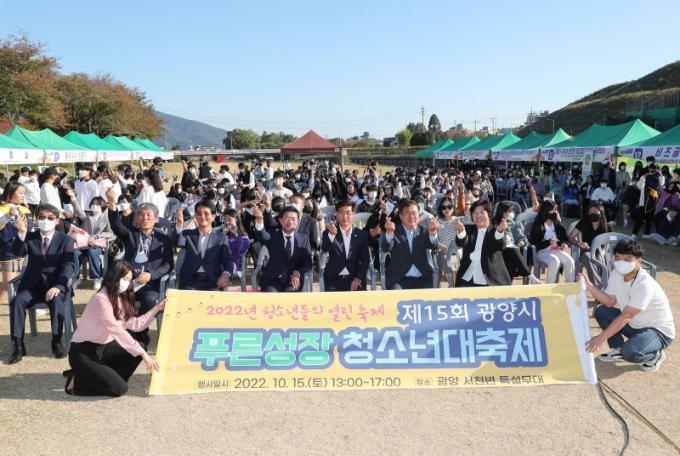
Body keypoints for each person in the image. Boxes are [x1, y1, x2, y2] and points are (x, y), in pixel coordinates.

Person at [64, 261, 165, 396]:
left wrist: (157, 309)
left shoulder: (119, 298)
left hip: (103, 348)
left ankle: (101, 376)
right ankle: (76, 381)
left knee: (138, 349)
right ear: (114, 277)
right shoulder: (100, 299)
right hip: (83, 352)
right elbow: (117, 330)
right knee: (119, 389)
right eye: (124, 279)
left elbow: (136, 325)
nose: (127, 283)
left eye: (129, 280)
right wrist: (143, 354)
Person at [581, 240, 674, 372]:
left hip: (658, 331)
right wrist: (589, 285)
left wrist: (600, 338)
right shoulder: (616, 274)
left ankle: (655, 355)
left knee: (630, 352)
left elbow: (626, 316)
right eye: (617, 258)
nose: (621, 262)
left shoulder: (644, 284)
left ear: (638, 261)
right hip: (636, 325)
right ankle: (618, 349)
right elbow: (609, 301)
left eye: (627, 259)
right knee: (602, 311)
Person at [7, 203, 77, 364]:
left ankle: (56, 341)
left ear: (57, 220)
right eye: (42, 217)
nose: (46, 220)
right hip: (32, 287)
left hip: (55, 286)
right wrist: (21, 233)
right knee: (17, 301)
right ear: (36, 219)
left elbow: (69, 266)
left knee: (57, 300)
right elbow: (17, 252)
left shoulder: (65, 240)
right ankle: (17, 345)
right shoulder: (30, 237)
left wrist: (59, 286)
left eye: (50, 218)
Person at [107, 192, 173, 347]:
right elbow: (116, 224)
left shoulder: (164, 239)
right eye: (141, 215)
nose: (145, 218)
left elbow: (168, 264)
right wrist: (111, 203)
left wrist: (151, 275)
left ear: (156, 219)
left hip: (150, 283)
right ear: (136, 218)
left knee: (150, 300)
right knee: (113, 296)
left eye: (149, 215)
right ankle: (118, 331)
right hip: (129, 281)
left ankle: (140, 331)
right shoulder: (130, 233)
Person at [173, 200, 232, 291]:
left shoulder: (221, 238)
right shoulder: (187, 234)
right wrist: (179, 223)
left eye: (206, 213)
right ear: (195, 216)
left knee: (213, 297)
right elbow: (177, 242)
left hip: (213, 280)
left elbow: (228, 262)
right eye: (199, 214)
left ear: (213, 217)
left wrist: (226, 274)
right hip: (190, 280)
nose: (202, 216)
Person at [252, 205, 313, 292]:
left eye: (293, 219)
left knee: (292, 295)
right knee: (271, 295)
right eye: (287, 218)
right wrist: (259, 220)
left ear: (298, 222)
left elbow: (308, 263)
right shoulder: (273, 235)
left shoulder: (304, 239)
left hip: (293, 280)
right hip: (272, 281)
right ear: (280, 221)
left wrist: (298, 273)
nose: (290, 222)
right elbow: (262, 236)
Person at [381, 198, 439, 290]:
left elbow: (434, 246)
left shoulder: (424, 231)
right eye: (407, 213)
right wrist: (389, 233)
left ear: (418, 215)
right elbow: (385, 248)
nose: (411, 216)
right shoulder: (394, 230)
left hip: (422, 277)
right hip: (399, 278)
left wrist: (433, 232)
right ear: (400, 216)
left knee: (428, 295)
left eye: (414, 213)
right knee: (395, 295)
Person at [455, 200, 511, 287]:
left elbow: (500, 245)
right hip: (468, 277)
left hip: (491, 279)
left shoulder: (495, 231)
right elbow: (462, 242)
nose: (478, 216)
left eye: (482, 212)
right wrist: (461, 231)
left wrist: (500, 231)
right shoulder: (468, 229)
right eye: (475, 213)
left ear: (489, 215)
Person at [320, 200, 370, 291]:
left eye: (348, 213)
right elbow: (324, 249)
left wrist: (358, 278)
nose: (344, 216)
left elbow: (366, 260)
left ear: (353, 214)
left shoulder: (361, 235)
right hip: (334, 279)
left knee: (360, 297)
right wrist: (331, 235)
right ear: (336, 214)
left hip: (355, 278)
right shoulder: (329, 232)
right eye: (341, 212)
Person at [0, 182, 33, 303]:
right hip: (9, 251)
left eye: (24, 193)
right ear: (10, 193)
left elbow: (31, 230)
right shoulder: (3, 209)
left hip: (26, 251)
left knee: (24, 283)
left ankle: (21, 306)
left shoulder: (25, 209)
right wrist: (9, 215)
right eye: (20, 193)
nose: (23, 195)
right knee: (8, 286)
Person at [493, 201, 541, 284]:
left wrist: (521, 242)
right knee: (513, 251)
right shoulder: (494, 223)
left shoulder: (513, 223)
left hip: (513, 249)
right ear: (502, 212)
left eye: (512, 211)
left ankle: (508, 285)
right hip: (499, 250)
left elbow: (522, 237)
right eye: (509, 211)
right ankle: (529, 275)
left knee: (513, 259)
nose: (511, 213)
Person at [529, 199, 575, 283]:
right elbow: (534, 241)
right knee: (555, 261)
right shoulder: (538, 224)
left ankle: (570, 285)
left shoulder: (556, 223)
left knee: (570, 261)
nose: (555, 212)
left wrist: (563, 243)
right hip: (542, 252)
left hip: (556, 250)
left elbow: (564, 238)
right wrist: (548, 242)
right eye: (553, 210)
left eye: (556, 210)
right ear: (546, 210)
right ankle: (549, 286)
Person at [569, 202, 610, 279]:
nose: (592, 213)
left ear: (601, 212)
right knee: (589, 258)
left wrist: (601, 253)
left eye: (595, 211)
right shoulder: (583, 222)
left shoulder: (608, 226)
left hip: (601, 252)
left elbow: (608, 244)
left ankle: (601, 281)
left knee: (604, 260)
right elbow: (571, 237)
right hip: (587, 251)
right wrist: (579, 243)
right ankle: (596, 282)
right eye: (590, 212)